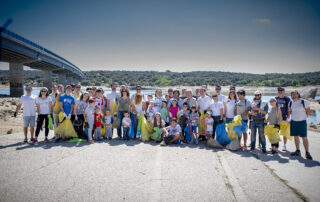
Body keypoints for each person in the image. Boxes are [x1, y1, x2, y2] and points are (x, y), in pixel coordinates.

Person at [288, 90, 312, 160]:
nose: (293, 95)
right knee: (295, 137)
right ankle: (297, 150)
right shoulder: (290, 103)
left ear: (298, 94)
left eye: (295, 94)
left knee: (304, 137)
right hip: (293, 122)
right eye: (292, 94)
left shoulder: (304, 102)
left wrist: (304, 118)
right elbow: (290, 111)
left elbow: (308, 111)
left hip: (302, 122)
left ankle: (307, 152)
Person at [275, 87, 291, 151]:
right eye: (279, 90)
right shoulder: (276, 98)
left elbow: (289, 108)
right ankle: (276, 145)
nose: (280, 91)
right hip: (277, 118)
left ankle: (284, 146)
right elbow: (273, 108)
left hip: (284, 118)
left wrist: (288, 117)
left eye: (281, 90)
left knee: (285, 133)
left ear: (284, 91)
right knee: (276, 132)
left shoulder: (287, 99)